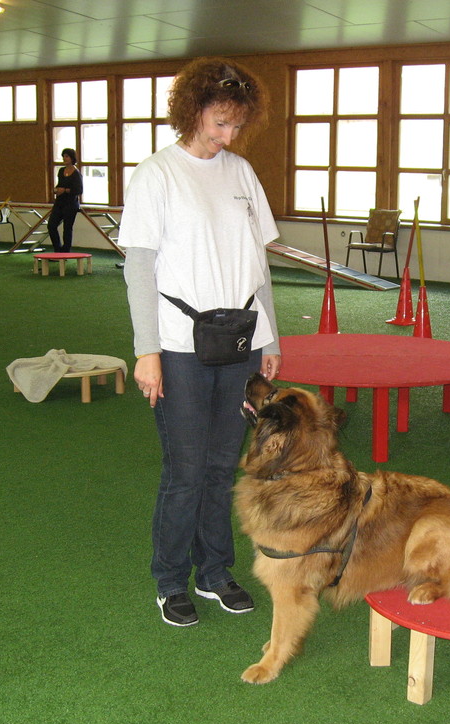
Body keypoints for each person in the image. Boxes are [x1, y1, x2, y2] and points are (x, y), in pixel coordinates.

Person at [118, 57, 281, 628]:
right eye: (218, 122)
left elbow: (257, 267)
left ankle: (214, 572)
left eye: (235, 125)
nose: (226, 136)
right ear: (191, 111)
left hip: (237, 341)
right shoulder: (156, 175)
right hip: (179, 348)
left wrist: (269, 338)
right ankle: (169, 580)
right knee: (185, 469)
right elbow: (139, 270)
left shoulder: (240, 174)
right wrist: (146, 351)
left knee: (220, 466)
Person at [47, 148, 83, 252]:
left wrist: (66, 190)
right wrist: (55, 190)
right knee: (51, 225)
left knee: (67, 228)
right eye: (63, 156)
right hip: (59, 203)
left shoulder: (76, 174)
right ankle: (57, 249)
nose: (64, 158)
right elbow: (59, 185)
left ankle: (66, 251)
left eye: (67, 156)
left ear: (72, 158)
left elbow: (79, 190)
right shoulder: (61, 170)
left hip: (71, 204)